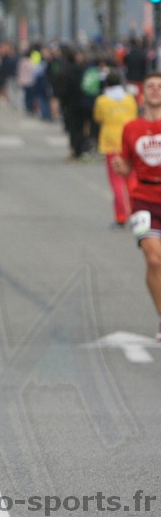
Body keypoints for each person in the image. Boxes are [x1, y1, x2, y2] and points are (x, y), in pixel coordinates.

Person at [112, 71, 161, 341]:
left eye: (160, 86)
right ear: (143, 94)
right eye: (150, 86)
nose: (155, 90)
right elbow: (127, 164)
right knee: (153, 258)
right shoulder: (131, 128)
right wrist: (121, 166)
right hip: (143, 198)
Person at [93, 70, 137, 228]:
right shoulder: (130, 99)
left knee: (116, 181)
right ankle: (136, 214)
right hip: (130, 140)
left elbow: (98, 117)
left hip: (111, 143)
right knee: (132, 179)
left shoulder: (102, 100)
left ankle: (121, 216)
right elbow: (134, 115)